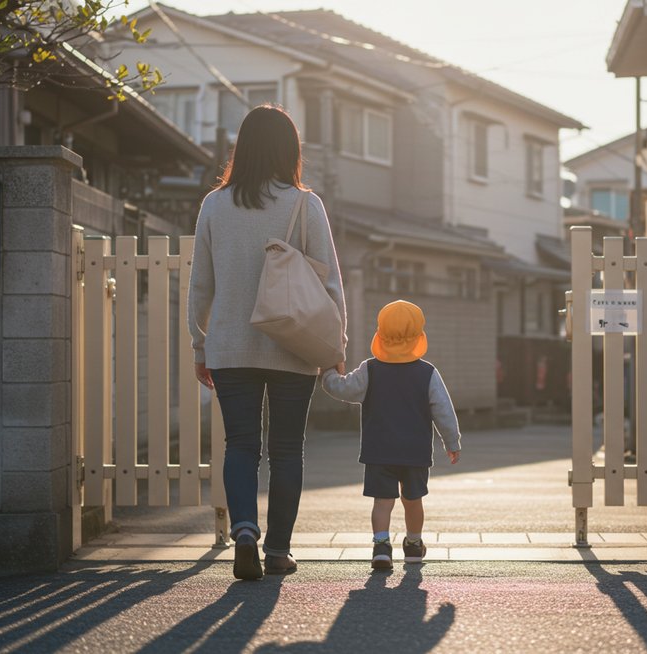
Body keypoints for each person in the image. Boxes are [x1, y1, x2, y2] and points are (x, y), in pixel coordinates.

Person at [188, 104, 345, 581]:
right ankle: (277, 551)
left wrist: (201, 346)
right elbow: (331, 284)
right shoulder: (305, 204)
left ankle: (244, 532)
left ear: (243, 147)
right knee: (287, 450)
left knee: (240, 446)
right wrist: (334, 347)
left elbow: (200, 285)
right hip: (293, 345)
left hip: (231, 346)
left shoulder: (215, 205)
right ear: (289, 151)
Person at [321, 300, 461, 569]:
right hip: (415, 452)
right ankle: (413, 544)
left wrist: (327, 373)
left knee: (383, 501)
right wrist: (451, 441)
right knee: (413, 500)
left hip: (379, 450)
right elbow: (443, 410)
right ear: (419, 335)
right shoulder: (428, 373)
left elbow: (343, 388)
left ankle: (381, 546)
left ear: (380, 333)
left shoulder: (369, 370)